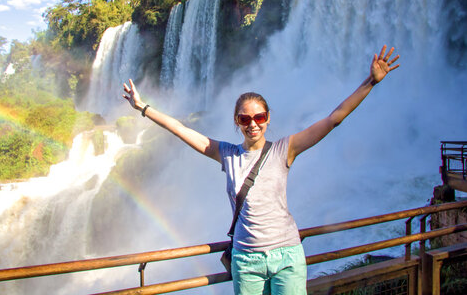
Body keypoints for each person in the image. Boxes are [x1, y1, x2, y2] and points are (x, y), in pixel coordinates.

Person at [122, 45, 400, 294]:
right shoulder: (226, 154)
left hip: (287, 256)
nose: (252, 123)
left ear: (267, 119)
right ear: (237, 121)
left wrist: (370, 83)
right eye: (245, 118)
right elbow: (181, 130)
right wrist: (143, 107)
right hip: (246, 260)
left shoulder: (284, 149)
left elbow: (333, 120)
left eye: (259, 117)